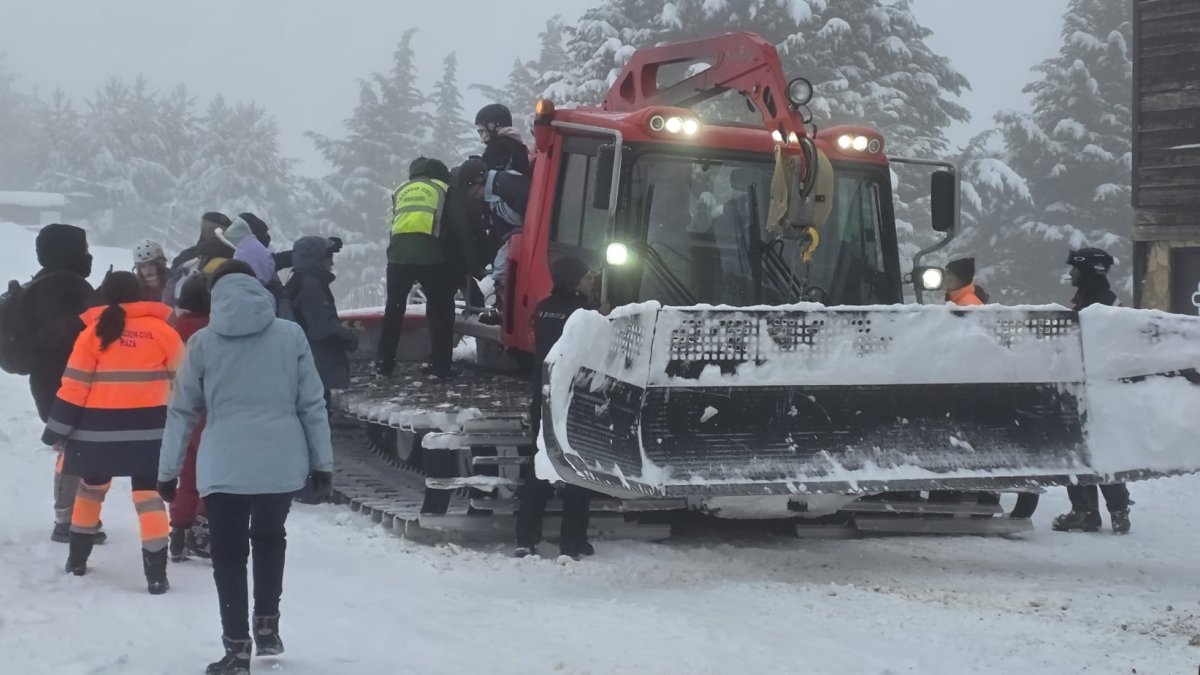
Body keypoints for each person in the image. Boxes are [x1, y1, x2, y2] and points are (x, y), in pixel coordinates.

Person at [157, 261, 334, 674]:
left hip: (224, 463)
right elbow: (312, 403)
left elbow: (181, 412)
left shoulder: (202, 343)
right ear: (257, 290)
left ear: (216, 294)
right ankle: (268, 627)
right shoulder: (290, 336)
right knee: (271, 537)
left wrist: (168, 471)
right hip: (280, 461)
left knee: (229, 554)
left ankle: (237, 650)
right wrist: (322, 462)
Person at [42, 271, 183, 593]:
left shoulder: (92, 333)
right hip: (150, 435)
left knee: (90, 491)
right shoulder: (162, 332)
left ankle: (77, 560)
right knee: (149, 498)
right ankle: (156, 575)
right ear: (140, 297)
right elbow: (185, 385)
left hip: (96, 434)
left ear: (104, 297)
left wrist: (56, 431)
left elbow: (74, 387)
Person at [7, 224, 101, 543]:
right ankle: (69, 520)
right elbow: (74, 336)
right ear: (69, 251)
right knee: (77, 451)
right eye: (84, 249)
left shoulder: (40, 283)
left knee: (73, 449)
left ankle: (73, 517)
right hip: (69, 384)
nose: (88, 255)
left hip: (47, 383)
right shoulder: (67, 287)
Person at [515, 256, 596, 560]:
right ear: (576, 280)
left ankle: (525, 537)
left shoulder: (543, 308)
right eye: (587, 275)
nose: (591, 280)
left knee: (539, 466)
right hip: (574, 399)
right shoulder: (583, 314)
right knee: (578, 468)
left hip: (544, 396)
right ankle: (572, 540)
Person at [376, 157, 485, 378]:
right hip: (430, 257)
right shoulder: (442, 189)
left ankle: (383, 363)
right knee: (440, 309)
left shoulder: (401, 189)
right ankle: (440, 366)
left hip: (397, 257)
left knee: (394, 309)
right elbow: (460, 227)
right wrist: (475, 265)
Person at [1053, 247, 1131, 534]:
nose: (1071, 273)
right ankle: (1117, 511)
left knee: (1080, 447)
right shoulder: (1101, 300)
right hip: (1099, 386)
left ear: (1085, 271)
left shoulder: (1097, 306)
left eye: (1074, 268)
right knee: (1101, 447)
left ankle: (1084, 512)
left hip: (1088, 387)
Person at [168, 274, 213, 561]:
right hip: (209, 413)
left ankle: (178, 533)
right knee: (211, 474)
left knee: (187, 476)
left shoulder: (170, 331)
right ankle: (202, 531)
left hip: (177, 413)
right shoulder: (214, 333)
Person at [285, 236, 357, 405]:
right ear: (316, 258)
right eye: (329, 257)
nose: (331, 263)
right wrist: (349, 337)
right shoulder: (312, 287)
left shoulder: (298, 280)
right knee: (318, 416)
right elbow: (321, 327)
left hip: (304, 365)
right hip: (316, 366)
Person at [166, 212, 234, 305]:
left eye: (215, 230)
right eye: (208, 230)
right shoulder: (186, 257)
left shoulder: (186, 256)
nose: (212, 234)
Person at [475, 103, 531, 175]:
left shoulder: (499, 147)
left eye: (482, 130)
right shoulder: (515, 143)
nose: (482, 136)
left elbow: (489, 175)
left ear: (492, 126)